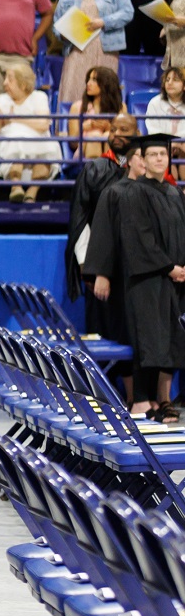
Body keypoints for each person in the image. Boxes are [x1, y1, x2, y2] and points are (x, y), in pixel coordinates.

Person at [84, 133, 185, 419]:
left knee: (171, 340)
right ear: (138, 158)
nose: (157, 159)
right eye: (151, 155)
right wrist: (101, 272)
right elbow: (135, 239)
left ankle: (162, 399)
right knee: (147, 340)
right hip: (144, 278)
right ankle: (141, 398)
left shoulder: (174, 193)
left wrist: (181, 269)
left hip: (173, 281)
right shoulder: (126, 193)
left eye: (162, 155)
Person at [68, 112, 137, 326]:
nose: (116, 135)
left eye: (124, 131)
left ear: (138, 134)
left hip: (136, 265)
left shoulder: (144, 171)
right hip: (101, 264)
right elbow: (80, 217)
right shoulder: (93, 170)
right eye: (113, 129)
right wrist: (84, 262)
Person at [53, 0, 132, 106]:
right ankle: (69, 128)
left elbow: (127, 12)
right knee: (74, 89)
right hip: (77, 50)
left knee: (104, 92)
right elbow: (57, 25)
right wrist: (63, 35)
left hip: (106, 48)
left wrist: (103, 22)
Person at [0, 60, 63, 201]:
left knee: (47, 148)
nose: (4, 84)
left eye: (10, 79)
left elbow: (43, 125)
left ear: (23, 83)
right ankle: (16, 187)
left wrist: (15, 118)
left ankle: (32, 192)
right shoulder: (2, 99)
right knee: (16, 142)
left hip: (38, 140)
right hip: (10, 142)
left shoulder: (39, 97)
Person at [147, 68, 185, 138]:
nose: (169, 83)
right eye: (167, 80)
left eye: (175, 80)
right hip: (161, 144)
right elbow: (153, 131)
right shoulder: (155, 103)